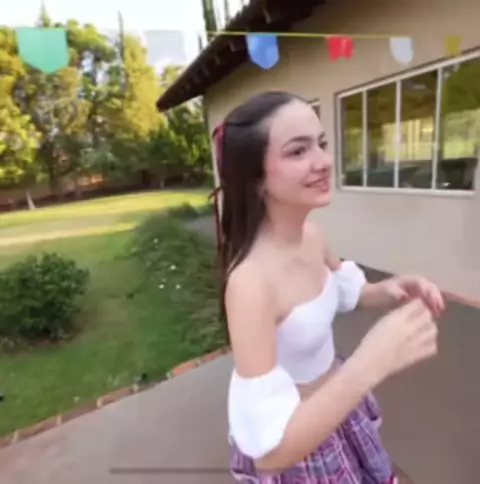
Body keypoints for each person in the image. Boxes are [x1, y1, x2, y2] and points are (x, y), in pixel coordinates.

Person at [212, 91, 444, 484]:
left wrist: (390, 289)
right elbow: (271, 454)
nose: (323, 161)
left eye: (321, 143)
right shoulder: (249, 284)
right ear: (255, 178)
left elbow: (343, 293)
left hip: (342, 410)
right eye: (298, 151)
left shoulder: (313, 236)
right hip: (306, 442)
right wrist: (372, 361)